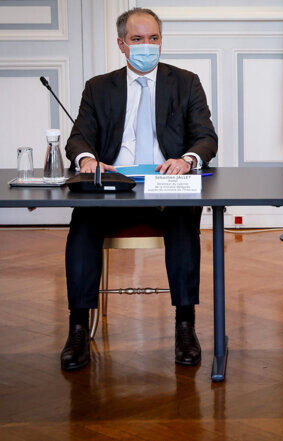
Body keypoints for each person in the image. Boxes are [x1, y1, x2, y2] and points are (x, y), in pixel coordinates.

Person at [60, 8, 218, 370]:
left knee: (184, 218)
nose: (147, 46)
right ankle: (78, 328)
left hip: (166, 187)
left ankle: (184, 323)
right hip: (116, 188)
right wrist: (87, 160)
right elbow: (78, 138)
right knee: (83, 221)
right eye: (137, 39)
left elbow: (206, 138)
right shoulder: (99, 87)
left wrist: (188, 160)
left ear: (161, 41)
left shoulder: (186, 82)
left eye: (153, 38)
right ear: (121, 44)